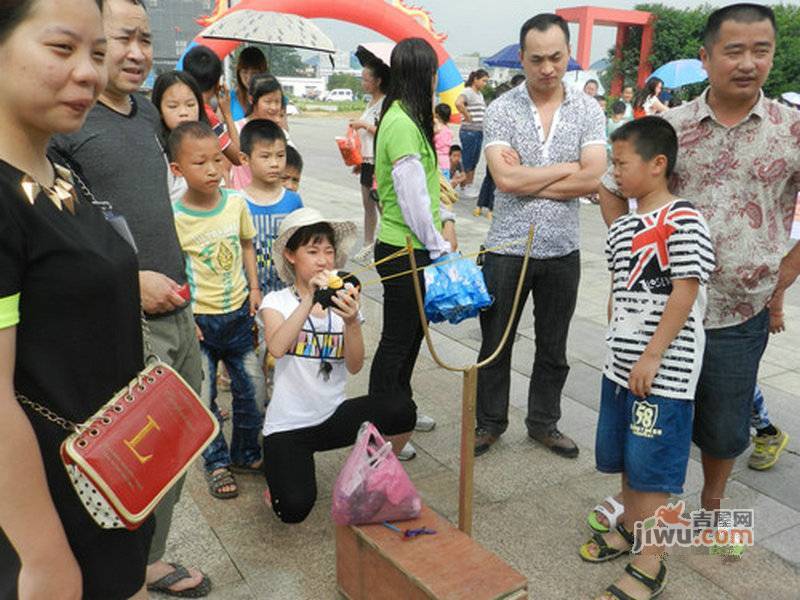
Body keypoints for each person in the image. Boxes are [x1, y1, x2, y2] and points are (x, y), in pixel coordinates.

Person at [596, 3, 800, 553]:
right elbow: (611, 185)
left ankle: (711, 506)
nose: (749, 63)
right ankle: (646, 516)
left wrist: (784, 275)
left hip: (740, 310)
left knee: (725, 423)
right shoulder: (672, 127)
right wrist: (633, 261)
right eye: (734, 51)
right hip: (665, 315)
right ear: (706, 57)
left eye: (761, 50)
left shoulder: (792, 129)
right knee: (651, 417)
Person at [50, 0, 209, 594]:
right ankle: (121, 573)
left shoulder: (145, 114)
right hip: (125, 316)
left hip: (177, 302)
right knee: (130, 456)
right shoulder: (69, 121)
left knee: (182, 440)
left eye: (146, 38)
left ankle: (145, 559)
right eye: (124, 38)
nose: (138, 52)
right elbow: (67, 233)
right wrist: (130, 283)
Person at [0, 1, 156, 598]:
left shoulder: (58, 172)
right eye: (62, 49)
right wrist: (41, 556)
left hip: (106, 478)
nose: (91, 72)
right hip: (45, 505)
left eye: (97, 52)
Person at [579, 117, 715, 600]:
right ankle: (633, 531)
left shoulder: (684, 220)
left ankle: (652, 561)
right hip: (621, 366)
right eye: (612, 164)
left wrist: (653, 356)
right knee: (626, 458)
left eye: (622, 164)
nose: (614, 174)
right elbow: (620, 287)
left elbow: (685, 290)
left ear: (658, 165)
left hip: (664, 372)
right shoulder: (624, 227)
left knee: (653, 469)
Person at [474, 13, 606, 458]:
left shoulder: (588, 109)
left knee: (555, 345)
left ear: (568, 54)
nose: (547, 68)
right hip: (507, 247)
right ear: (522, 58)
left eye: (556, 57)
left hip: (563, 249)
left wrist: (530, 174)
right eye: (537, 59)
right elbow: (504, 182)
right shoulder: (501, 108)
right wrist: (570, 168)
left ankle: (544, 423)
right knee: (496, 341)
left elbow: (595, 179)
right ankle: (489, 422)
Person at [260, 208, 416, 523]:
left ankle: (372, 474)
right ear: (291, 256)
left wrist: (352, 322)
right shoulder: (276, 302)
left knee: (402, 408)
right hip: (289, 426)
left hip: (333, 415)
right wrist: (310, 300)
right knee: (293, 509)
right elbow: (277, 347)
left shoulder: (344, 304)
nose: (323, 260)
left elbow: (355, 366)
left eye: (328, 251)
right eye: (312, 251)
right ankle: (278, 480)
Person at [370, 38, 458, 460]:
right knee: (396, 341)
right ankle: (381, 430)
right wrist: (438, 245)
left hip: (410, 247)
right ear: (423, 75)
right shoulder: (403, 121)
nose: (438, 80)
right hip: (404, 247)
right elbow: (412, 200)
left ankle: (399, 412)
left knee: (410, 339)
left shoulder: (405, 116)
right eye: (434, 72)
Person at [169, 121, 264, 500]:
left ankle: (245, 452)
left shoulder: (237, 203)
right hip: (201, 323)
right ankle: (216, 462)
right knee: (204, 396)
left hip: (239, 313)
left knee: (252, 390)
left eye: (217, 160)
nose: (212, 170)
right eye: (200, 163)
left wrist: (254, 288)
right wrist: (185, 316)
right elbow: (175, 268)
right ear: (177, 170)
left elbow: (246, 245)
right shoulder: (175, 217)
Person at [239, 119, 303, 297]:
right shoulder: (237, 202)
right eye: (265, 156)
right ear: (244, 159)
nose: (275, 163)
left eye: (280, 155)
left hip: (287, 292)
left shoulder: (293, 201)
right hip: (248, 294)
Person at [350, 58, 389, 260]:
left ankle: (386, 244)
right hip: (366, 160)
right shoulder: (370, 102)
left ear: (378, 81)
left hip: (378, 162)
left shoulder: (385, 103)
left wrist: (363, 125)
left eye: (366, 79)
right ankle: (368, 244)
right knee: (367, 205)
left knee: (381, 205)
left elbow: (384, 131)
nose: (363, 83)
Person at [151, 70, 209, 202]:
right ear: (159, 110)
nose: (184, 113)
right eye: (173, 106)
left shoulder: (210, 141)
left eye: (190, 105)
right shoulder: (156, 150)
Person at [182, 44, 241, 166]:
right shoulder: (208, 117)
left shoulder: (178, 110)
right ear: (217, 84)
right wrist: (227, 114)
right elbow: (238, 157)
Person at [231, 74, 293, 190]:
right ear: (251, 99)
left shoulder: (281, 132)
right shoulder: (236, 129)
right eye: (268, 102)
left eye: (277, 102)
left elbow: (291, 165)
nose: (274, 107)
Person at [455, 68, 489, 194]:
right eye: (484, 81)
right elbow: (458, 103)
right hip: (469, 131)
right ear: (475, 79)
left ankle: (469, 185)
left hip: (478, 131)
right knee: (468, 159)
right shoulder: (468, 91)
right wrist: (468, 117)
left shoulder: (479, 94)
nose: (485, 84)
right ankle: (464, 186)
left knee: (474, 159)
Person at [231, 46, 268, 121]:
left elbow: (283, 129)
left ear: (262, 73)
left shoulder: (273, 99)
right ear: (239, 73)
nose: (249, 78)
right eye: (244, 72)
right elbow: (219, 130)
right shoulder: (228, 98)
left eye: (254, 73)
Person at [434, 102, 454, 179]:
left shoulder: (437, 129)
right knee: (445, 187)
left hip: (437, 162)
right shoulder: (448, 130)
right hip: (446, 162)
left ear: (437, 115)